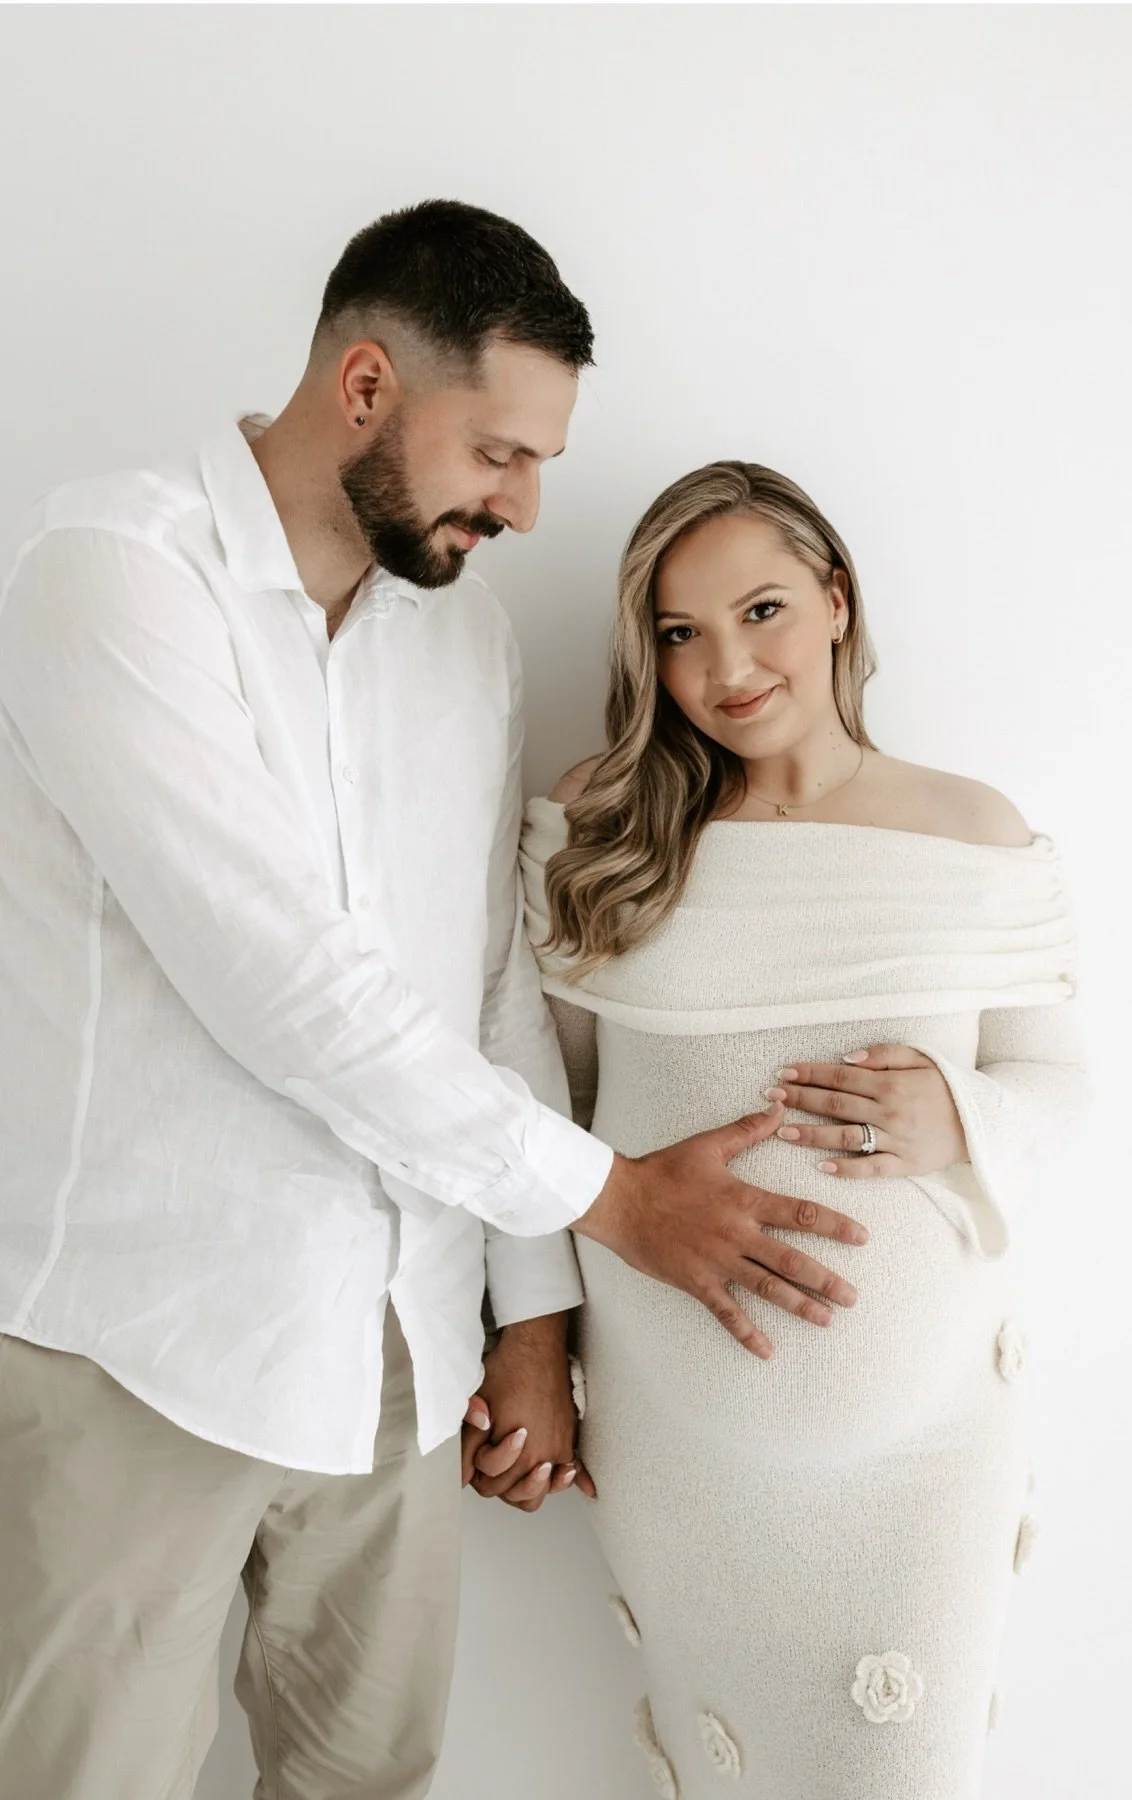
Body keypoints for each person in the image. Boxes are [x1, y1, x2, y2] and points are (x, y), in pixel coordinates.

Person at [0, 204, 867, 1800]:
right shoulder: (114, 577)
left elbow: (486, 984)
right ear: (367, 386)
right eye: (500, 452)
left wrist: (527, 1324)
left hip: (394, 1361)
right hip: (142, 1352)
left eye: (541, 462)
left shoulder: (461, 637)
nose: (524, 505)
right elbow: (282, 985)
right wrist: (612, 1202)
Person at [517, 462, 1089, 1799]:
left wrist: (960, 1113)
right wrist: (529, 1346)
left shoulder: (970, 828)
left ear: (836, 601)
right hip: (679, 1444)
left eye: (762, 610)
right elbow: (537, 1118)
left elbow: (1059, 1078)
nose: (726, 667)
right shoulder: (601, 829)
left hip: (930, 1448)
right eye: (681, 633)